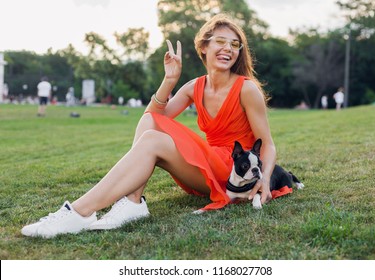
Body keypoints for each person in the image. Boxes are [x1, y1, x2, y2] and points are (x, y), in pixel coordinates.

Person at [21, 14, 276, 238]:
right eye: (221, 41)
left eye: (235, 45)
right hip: (207, 167)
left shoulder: (246, 89)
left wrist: (263, 179)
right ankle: (132, 202)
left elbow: (268, 144)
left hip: (235, 171)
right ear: (204, 46)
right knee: (150, 122)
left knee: (153, 138)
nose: (228, 49)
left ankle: (80, 212)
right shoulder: (192, 87)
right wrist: (169, 80)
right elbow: (151, 118)